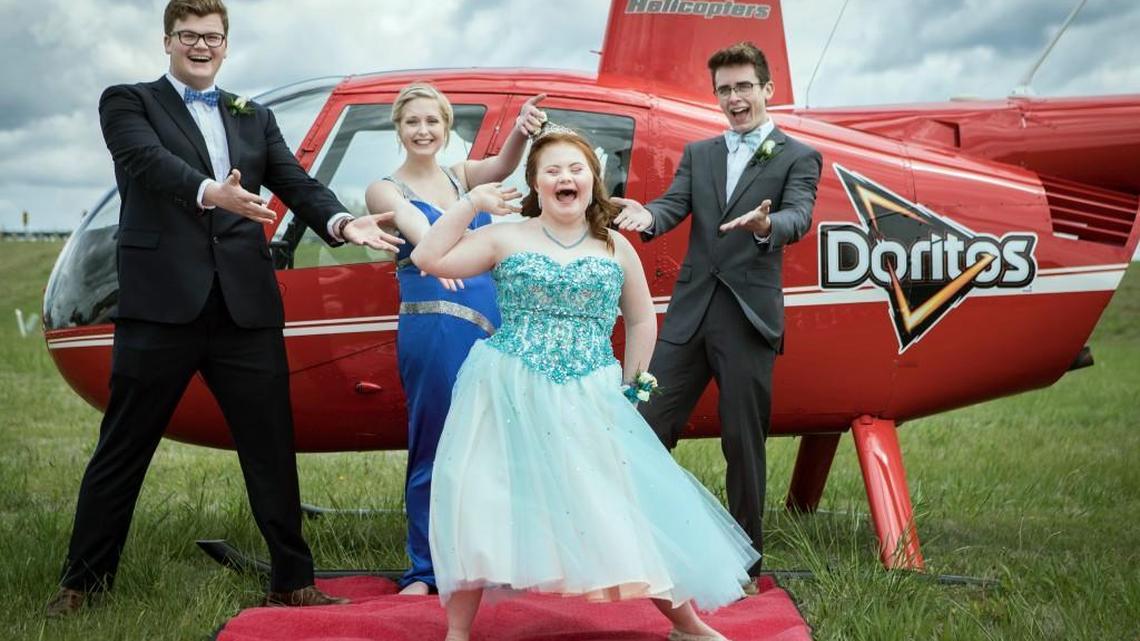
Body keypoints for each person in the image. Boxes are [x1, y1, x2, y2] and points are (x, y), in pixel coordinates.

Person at [45, 0, 402, 617]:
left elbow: (295, 181)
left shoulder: (252, 114)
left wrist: (343, 222)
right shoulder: (128, 102)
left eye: (211, 36)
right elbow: (146, 163)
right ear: (168, 41)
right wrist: (213, 192)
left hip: (244, 308)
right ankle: (83, 584)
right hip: (160, 306)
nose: (201, 46)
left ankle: (292, 580)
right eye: (188, 35)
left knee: (271, 447)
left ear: (226, 45)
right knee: (123, 448)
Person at [412, 126, 758, 641]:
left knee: (625, 504)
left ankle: (687, 624)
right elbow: (428, 258)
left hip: (590, 391)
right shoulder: (506, 236)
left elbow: (641, 319)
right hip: (506, 387)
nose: (564, 178)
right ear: (536, 182)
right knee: (482, 500)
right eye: (552, 170)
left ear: (593, 181)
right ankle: (457, 632)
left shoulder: (615, 246)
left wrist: (633, 386)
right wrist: (471, 203)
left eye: (575, 169)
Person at [611, 41, 822, 586]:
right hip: (690, 313)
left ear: (767, 89)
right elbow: (673, 205)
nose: (734, 98)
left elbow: (799, 216)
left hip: (748, 317)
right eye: (725, 89)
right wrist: (647, 216)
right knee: (643, 424)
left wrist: (766, 225)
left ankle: (746, 565)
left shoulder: (798, 156)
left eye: (744, 86)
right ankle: (643, 547)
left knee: (742, 443)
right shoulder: (700, 153)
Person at [363, 84, 546, 596]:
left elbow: (503, 167)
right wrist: (438, 246)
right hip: (434, 321)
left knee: (497, 439)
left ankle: (496, 560)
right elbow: (416, 228)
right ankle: (426, 569)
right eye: (412, 122)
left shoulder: (460, 174)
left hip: (494, 319)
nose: (423, 130)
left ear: (446, 128)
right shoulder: (384, 188)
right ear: (398, 129)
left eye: (432, 121)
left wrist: (520, 130)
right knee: (437, 440)